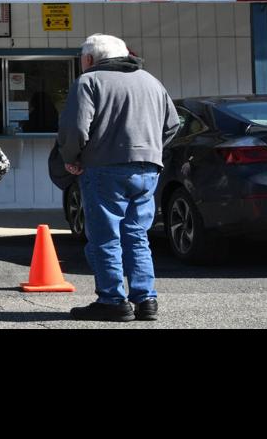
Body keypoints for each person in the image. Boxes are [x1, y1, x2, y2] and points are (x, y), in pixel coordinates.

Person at [57, 34, 181, 323]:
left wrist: (71, 158)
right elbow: (173, 124)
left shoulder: (89, 81)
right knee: (137, 234)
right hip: (147, 168)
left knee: (105, 237)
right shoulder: (151, 81)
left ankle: (112, 300)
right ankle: (146, 298)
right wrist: (150, 149)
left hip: (103, 168)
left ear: (89, 59)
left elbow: (75, 128)